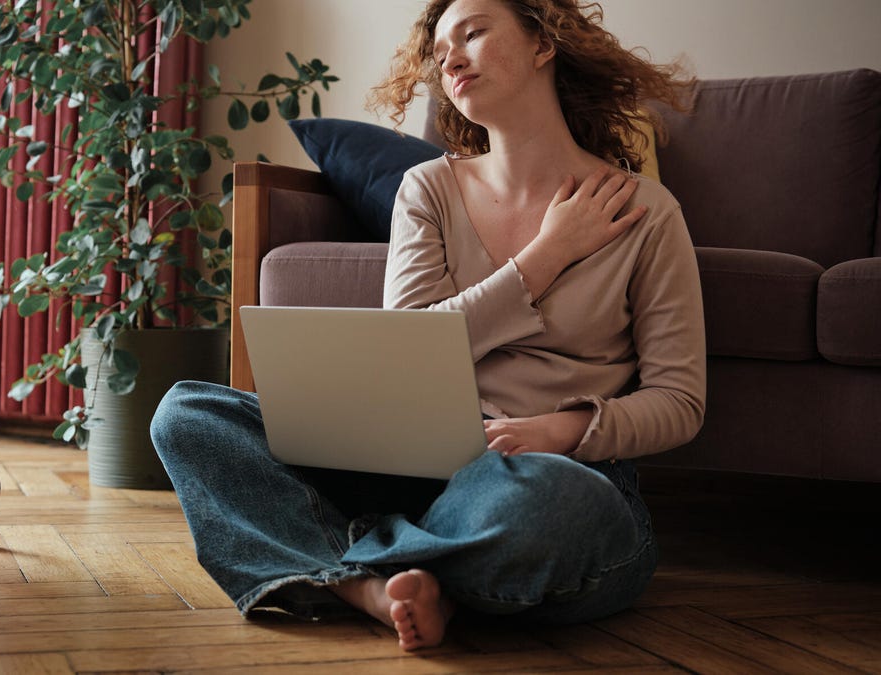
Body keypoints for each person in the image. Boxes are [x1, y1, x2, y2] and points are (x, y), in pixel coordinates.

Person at [151, 0, 703, 652]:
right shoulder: (428, 190)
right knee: (186, 413)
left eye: (472, 34)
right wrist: (545, 256)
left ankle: (347, 564)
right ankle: (378, 586)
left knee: (553, 506)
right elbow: (409, 346)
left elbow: (680, 400)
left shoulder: (647, 212)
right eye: (440, 55)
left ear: (542, 43)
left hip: (553, 475)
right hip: (413, 466)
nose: (452, 62)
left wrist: (563, 429)